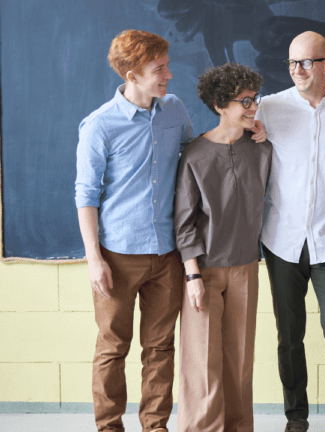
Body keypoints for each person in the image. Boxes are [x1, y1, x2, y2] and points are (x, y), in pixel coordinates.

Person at [75, 30, 193, 432]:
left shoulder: (174, 109)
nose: (168, 75)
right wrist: (94, 259)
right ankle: (109, 427)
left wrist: (244, 131)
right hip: (118, 256)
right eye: (159, 69)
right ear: (131, 74)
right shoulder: (99, 126)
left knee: (160, 347)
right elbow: (86, 195)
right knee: (113, 346)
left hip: (168, 253)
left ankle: (155, 426)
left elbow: (196, 160)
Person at [254, 31, 325, 432]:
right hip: (281, 239)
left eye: (306, 62)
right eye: (291, 63)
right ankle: (296, 417)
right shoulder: (268, 108)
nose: (298, 70)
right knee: (289, 336)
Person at [174, 63, 271, 432]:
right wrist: (193, 274)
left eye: (254, 99)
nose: (252, 107)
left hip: (246, 266)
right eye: (244, 101)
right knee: (202, 362)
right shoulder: (195, 154)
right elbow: (183, 222)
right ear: (219, 104)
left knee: (239, 361)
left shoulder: (262, 149)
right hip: (206, 269)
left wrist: (260, 133)